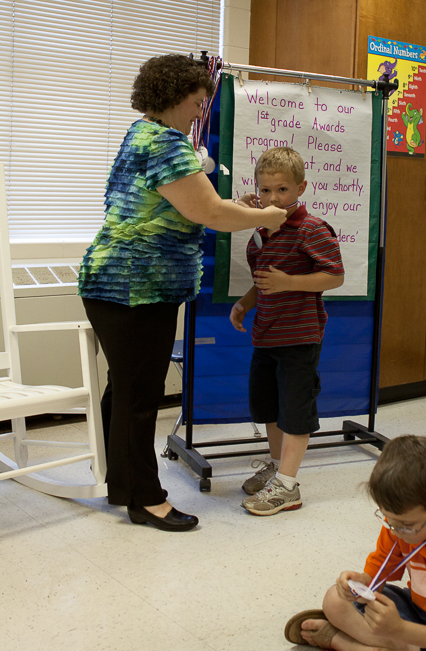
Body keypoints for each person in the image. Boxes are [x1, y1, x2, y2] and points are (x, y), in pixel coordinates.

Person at [78, 54, 286, 532]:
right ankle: (146, 500)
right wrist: (264, 217)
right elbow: (208, 214)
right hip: (137, 286)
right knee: (140, 394)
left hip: (116, 284)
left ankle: (122, 484)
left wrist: (235, 207)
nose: (200, 110)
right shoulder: (167, 144)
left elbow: (191, 205)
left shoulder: (142, 133)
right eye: (198, 101)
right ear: (176, 95)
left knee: (125, 387)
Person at [284, 435, 426, 651]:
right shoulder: (401, 518)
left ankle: (345, 642)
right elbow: (377, 574)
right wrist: (362, 584)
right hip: (421, 613)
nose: (395, 531)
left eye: (406, 525)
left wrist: (400, 630)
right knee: (335, 599)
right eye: (388, 519)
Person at [229, 147, 344, 516]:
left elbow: (335, 275)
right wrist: (246, 303)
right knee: (268, 406)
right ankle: (278, 468)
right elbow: (265, 282)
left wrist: (289, 281)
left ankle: (288, 487)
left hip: (300, 337)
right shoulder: (259, 234)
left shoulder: (311, 228)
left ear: (300, 188)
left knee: (295, 410)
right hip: (266, 336)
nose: (272, 198)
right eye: (265, 190)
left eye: (281, 190)